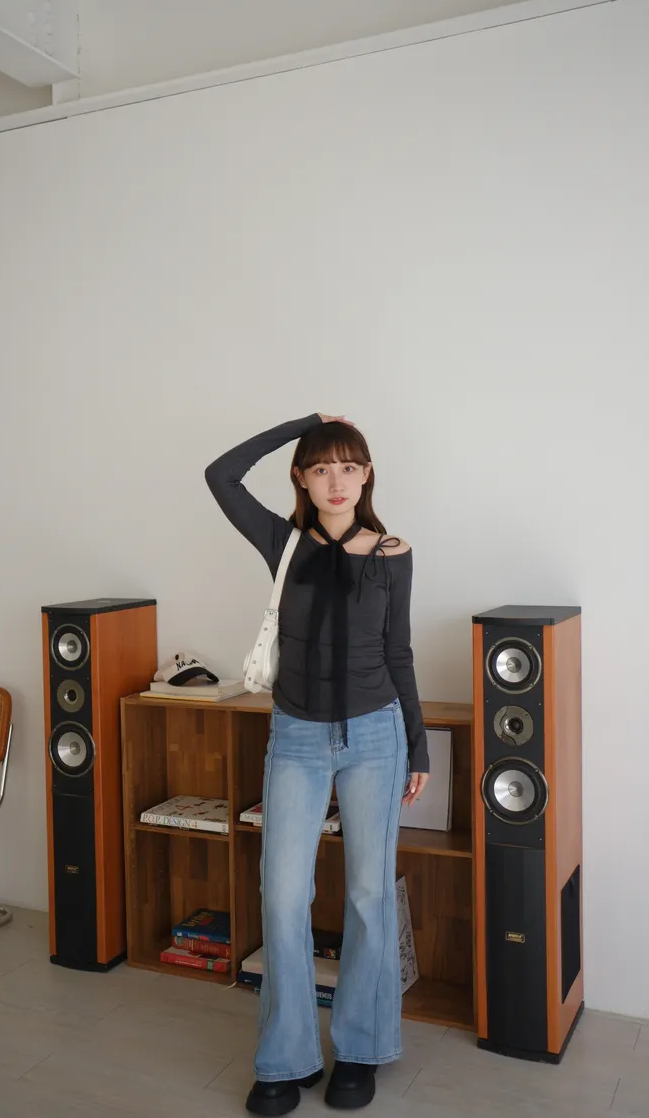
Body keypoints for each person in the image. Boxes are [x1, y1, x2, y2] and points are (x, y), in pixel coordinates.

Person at [205, 412, 430, 1115]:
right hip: (296, 738)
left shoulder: (392, 552)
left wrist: (418, 744)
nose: (338, 481)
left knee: (368, 894)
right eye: (322, 467)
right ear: (301, 477)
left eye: (350, 467)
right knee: (281, 896)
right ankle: (286, 1057)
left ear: (367, 476)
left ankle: (360, 1049)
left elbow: (399, 652)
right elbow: (220, 475)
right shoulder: (284, 543)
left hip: (375, 735)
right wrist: (306, 423)